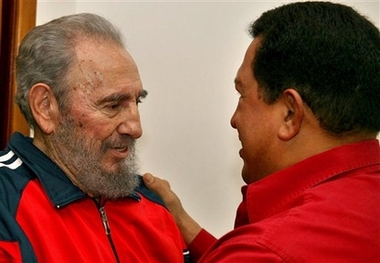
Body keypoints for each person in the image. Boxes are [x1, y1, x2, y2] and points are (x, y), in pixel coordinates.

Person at [143, 1, 380, 262]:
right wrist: (185, 224)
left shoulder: (262, 252)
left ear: (290, 114)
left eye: (242, 94)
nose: (234, 120)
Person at [0, 13, 189, 263]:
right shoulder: (6, 204)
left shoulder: (155, 205)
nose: (136, 128)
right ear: (45, 107)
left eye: (137, 101)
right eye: (112, 105)